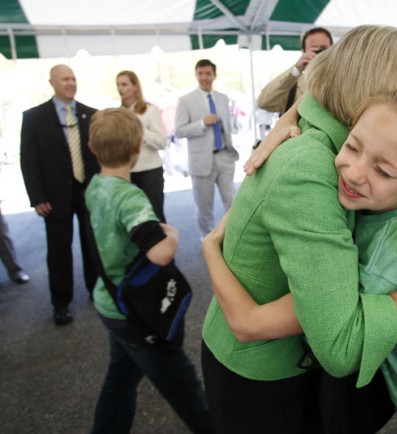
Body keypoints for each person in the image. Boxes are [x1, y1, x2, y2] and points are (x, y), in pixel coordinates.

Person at [200, 25, 397, 434]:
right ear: (376, 86)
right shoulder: (314, 166)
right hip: (262, 376)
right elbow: (342, 343)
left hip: (285, 355)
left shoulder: (340, 141)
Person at [85, 108, 215, 434]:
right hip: (133, 309)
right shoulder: (130, 197)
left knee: (121, 376)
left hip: (109, 300)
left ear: (91, 148)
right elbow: (159, 253)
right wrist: (171, 233)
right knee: (182, 384)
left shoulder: (95, 187)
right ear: (137, 148)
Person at [20, 64, 99, 325]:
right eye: (65, 79)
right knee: (58, 249)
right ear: (52, 82)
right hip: (54, 196)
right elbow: (29, 161)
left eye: (73, 78)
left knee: (92, 244)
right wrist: (37, 197)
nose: (70, 83)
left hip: (87, 190)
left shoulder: (91, 115)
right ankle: (61, 303)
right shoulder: (33, 118)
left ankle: (96, 290)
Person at [174, 59, 239, 239]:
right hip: (201, 161)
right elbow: (179, 131)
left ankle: (234, 237)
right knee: (205, 207)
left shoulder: (222, 98)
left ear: (214, 76)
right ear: (196, 75)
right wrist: (202, 123)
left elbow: (227, 126)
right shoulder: (186, 100)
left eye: (208, 73)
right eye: (201, 73)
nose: (204, 77)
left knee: (232, 202)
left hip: (225, 156)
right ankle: (207, 239)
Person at [116, 70, 167, 222]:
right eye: (118, 85)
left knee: (155, 215)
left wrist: (139, 129)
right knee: (134, 217)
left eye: (124, 84)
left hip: (150, 171)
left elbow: (161, 142)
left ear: (135, 86)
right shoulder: (118, 114)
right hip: (127, 172)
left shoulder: (150, 110)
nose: (120, 89)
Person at [257, 27, 333, 114]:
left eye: (323, 49)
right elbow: (264, 103)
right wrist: (296, 70)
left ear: (333, 50)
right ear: (304, 51)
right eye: (314, 49)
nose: (319, 53)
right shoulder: (291, 85)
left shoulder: (342, 80)